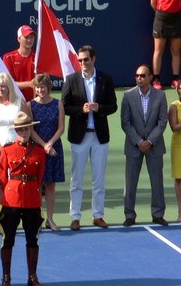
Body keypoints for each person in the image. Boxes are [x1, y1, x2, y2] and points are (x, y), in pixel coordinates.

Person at [61, 45, 118, 230]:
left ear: (93, 59)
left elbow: (113, 106)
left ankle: (98, 215)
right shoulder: (71, 80)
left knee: (98, 179)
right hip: (79, 136)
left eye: (86, 59)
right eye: (80, 60)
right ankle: (75, 217)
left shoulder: (105, 79)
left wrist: (98, 108)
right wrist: (81, 110)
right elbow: (64, 106)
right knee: (76, 179)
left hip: (99, 136)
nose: (83, 63)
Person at [0, 112, 47, 286]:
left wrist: (32, 188)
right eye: (20, 129)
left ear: (31, 129)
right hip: (11, 200)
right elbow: (2, 176)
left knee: (32, 238)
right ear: (16, 130)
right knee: (8, 239)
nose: (24, 132)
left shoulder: (39, 151)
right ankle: (6, 277)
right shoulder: (7, 150)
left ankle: (32, 276)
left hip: (32, 199)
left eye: (26, 128)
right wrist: (10, 189)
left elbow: (40, 176)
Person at [121, 65, 168, 226]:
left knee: (157, 182)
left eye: (142, 75)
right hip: (134, 146)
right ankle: (129, 215)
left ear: (150, 78)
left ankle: (158, 214)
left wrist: (150, 141)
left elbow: (162, 122)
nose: (139, 78)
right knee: (130, 182)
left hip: (154, 146)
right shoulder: (128, 96)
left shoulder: (161, 96)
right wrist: (140, 142)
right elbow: (125, 123)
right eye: (137, 75)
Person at [0, 72, 27, 234]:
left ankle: (16, 219)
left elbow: (27, 126)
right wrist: (1, 149)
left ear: (9, 86)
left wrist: (19, 146)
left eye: (3, 86)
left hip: (17, 149)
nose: (0, 89)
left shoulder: (20, 103)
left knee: (17, 185)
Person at [28, 74, 65, 231]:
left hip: (54, 149)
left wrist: (50, 144)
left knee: (50, 185)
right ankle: (37, 219)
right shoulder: (30, 105)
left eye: (42, 87)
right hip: (36, 149)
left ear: (48, 88)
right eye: (37, 87)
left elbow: (61, 127)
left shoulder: (58, 104)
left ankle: (50, 219)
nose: (40, 90)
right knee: (36, 186)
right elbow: (30, 129)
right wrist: (43, 145)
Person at [150, 0, 181, 90]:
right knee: (159, 50)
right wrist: (162, 13)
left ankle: (175, 79)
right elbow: (153, 3)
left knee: (175, 50)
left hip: (177, 19)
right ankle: (156, 79)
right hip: (161, 19)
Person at [2, 26, 37, 100]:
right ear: (18, 39)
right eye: (26, 37)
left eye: (31, 37)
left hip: (34, 101)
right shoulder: (8, 57)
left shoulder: (38, 57)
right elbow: (8, 82)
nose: (29, 40)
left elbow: (42, 81)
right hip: (14, 100)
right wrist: (29, 84)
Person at [169, 81, 181, 221]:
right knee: (179, 179)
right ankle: (180, 212)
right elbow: (174, 127)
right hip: (178, 145)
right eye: (180, 88)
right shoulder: (174, 106)